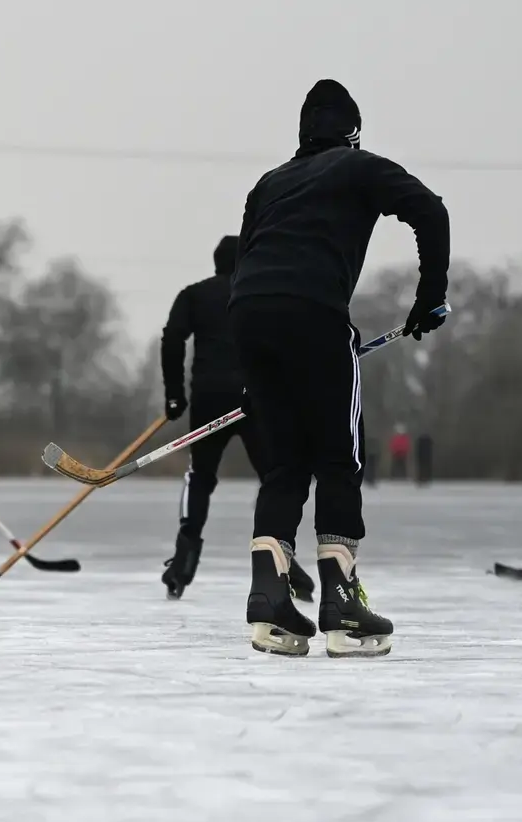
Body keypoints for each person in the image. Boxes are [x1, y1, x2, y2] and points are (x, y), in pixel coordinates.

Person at [229, 79, 450, 658]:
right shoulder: (358, 167)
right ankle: (340, 603)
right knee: (337, 455)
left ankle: (269, 599)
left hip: (249, 315)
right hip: (314, 315)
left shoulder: (269, 183)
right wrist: (429, 298)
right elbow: (431, 210)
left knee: (284, 462)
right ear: (353, 132)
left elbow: (249, 258)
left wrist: (256, 371)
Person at [158, 233, 313, 602]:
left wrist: (174, 394)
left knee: (200, 476)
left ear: (215, 263)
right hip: (255, 399)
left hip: (209, 398)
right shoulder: (261, 295)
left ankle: (183, 560)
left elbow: (172, 339)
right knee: (275, 478)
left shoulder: (193, 295)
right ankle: (283, 559)